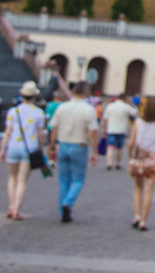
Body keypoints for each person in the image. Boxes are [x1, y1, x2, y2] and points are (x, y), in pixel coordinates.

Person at [47, 81, 98, 223]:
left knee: (63, 179)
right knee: (78, 179)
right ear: (86, 92)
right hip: (79, 146)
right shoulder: (88, 109)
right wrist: (95, 150)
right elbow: (92, 132)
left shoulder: (62, 107)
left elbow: (54, 128)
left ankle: (62, 206)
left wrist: (52, 145)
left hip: (63, 145)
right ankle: (67, 203)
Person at [0, 81, 45, 220]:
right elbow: (40, 134)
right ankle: (17, 210)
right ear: (35, 96)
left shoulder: (13, 111)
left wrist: (2, 148)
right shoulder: (39, 113)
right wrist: (41, 148)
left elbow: (8, 132)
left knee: (12, 178)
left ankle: (11, 206)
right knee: (22, 180)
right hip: (29, 148)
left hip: (13, 146)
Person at [128, 97, 155, 231]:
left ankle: (137, 215)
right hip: (153, 158)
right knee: (149, 190)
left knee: (138, 188)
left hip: (139, 157)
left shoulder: (138, 123)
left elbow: (131, 143)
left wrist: (130, 155)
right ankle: (144, 221)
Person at [101, 94, 137, 171]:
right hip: (121, 129)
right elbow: (134, 112)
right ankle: (118, 163)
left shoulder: (110, 106)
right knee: (119, 148)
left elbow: (105, 118)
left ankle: (109, 162)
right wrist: (131, 104)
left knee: (110, 147)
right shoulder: (125, 107)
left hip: (111, 128)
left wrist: (105, 128)